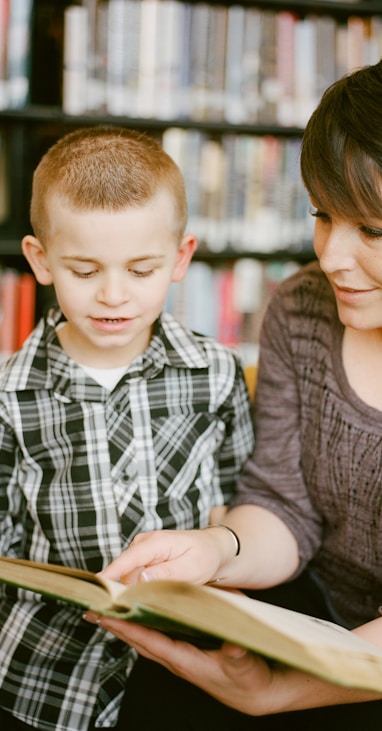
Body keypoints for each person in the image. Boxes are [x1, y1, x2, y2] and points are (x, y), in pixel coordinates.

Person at [85, 60, 382, 728]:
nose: (331, 254)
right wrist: (216, 549)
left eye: (373, 231)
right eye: (323, 214)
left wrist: (284, 688)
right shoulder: (305, 308)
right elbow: (284, 506)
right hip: (317, 615)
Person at [0, 126, 255, 731]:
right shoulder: (9, 392)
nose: (114, 295)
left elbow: (236, 499)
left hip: (187, 663)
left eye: (141, 270)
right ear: (40, 260)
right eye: (85, 271)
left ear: (181, 258)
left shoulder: (216, 372)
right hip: (46, 673)